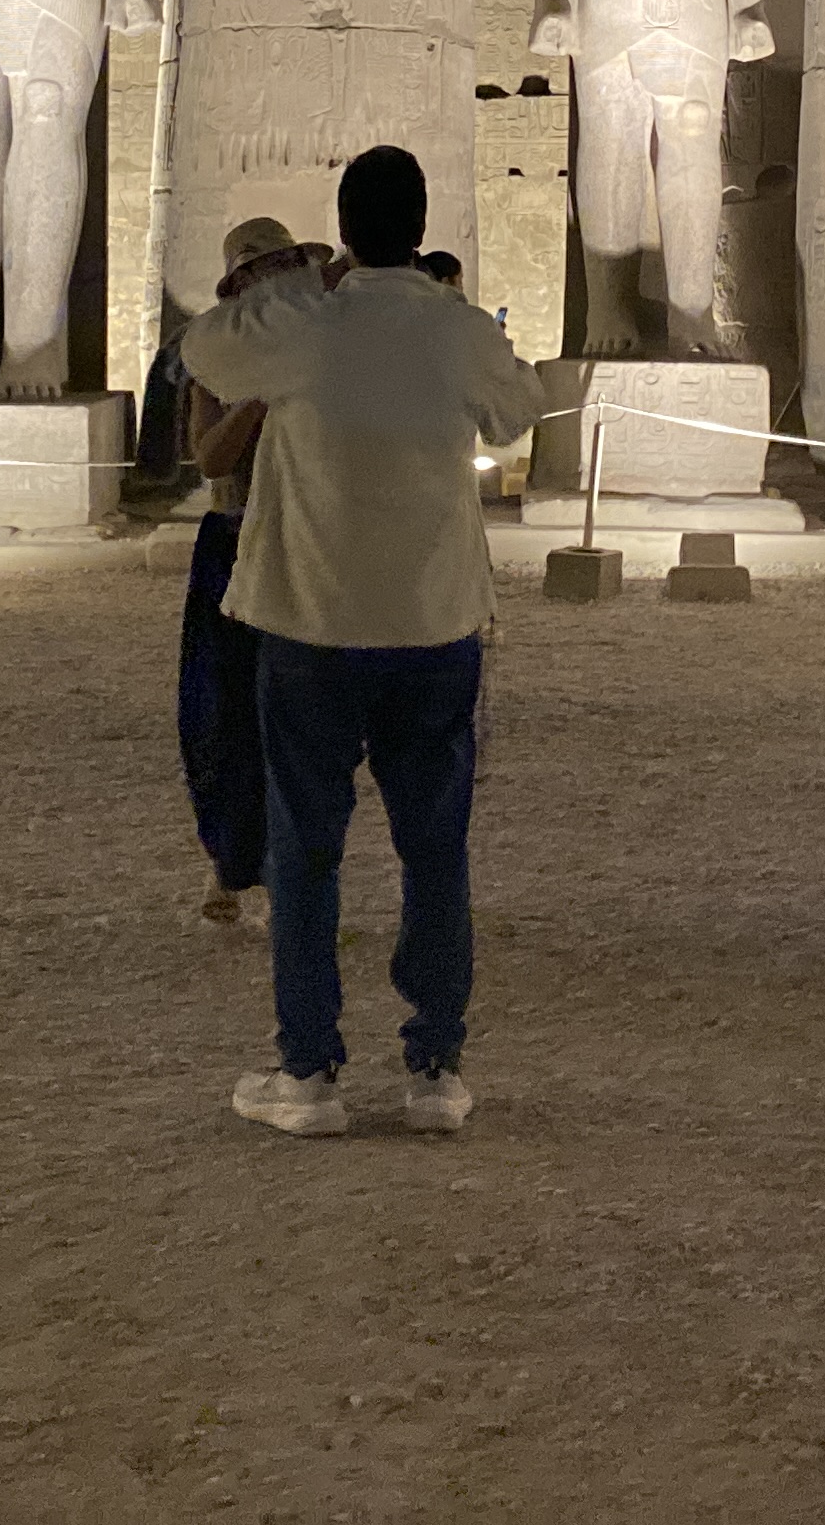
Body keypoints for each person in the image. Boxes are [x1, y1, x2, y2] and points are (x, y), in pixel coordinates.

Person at [183, 144, 543, 1137]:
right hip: (432, 620)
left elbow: (206, 347)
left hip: (314, 619)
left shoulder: (308, 325)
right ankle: (435, 1068)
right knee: (436, 851)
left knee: (306, 850)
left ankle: (309, 1071)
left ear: (341, 231)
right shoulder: (454, 329)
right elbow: (517, 413)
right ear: (421, 230)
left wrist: (302, 286)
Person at [175, 217, 325, 929]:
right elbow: (211, 457)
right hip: (235, 538)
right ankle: (230, 861)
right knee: (222, 711)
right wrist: (259, 396)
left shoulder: (318, 347)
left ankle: (289, 870)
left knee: (296, 713)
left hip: (298, 538)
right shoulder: (214, 356)